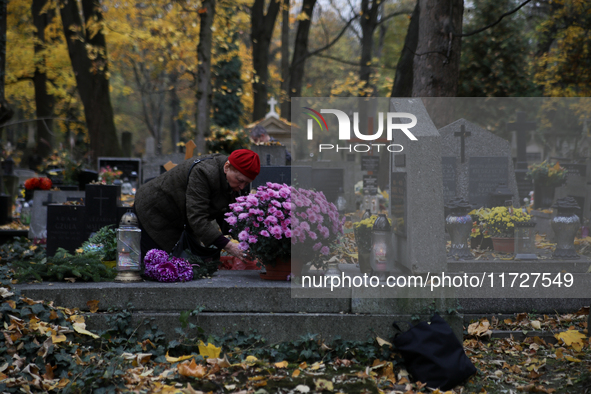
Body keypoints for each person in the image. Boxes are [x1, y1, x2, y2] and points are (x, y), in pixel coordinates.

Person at [133, 149, 260, 262]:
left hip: (181, 219)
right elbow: (197, 218)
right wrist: (228, 246)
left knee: (186, 267)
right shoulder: (203, 172)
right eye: (240, 180)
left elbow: (227, 217)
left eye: (247, 183)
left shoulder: (232, 181)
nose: (242, 187)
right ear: (227, 167)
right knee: (156, 266)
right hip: (154, 212)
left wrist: (252, 242)